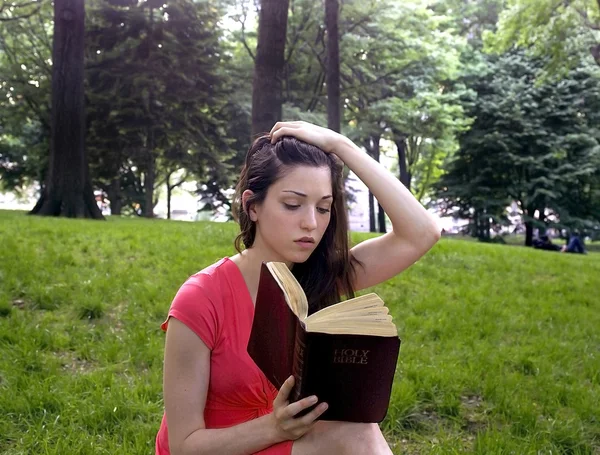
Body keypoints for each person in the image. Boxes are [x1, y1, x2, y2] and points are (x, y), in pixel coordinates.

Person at [156, 121, 441, 455]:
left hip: (290, 442)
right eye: (293, 205)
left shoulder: (321, 278)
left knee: (359, 429)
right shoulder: (201, 298)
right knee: (357, 436)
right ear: (253, 206)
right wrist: (274, 427)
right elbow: (183, 446)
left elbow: (423, 233)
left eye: (323, 208)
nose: (311, 223)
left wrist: (341, 146)